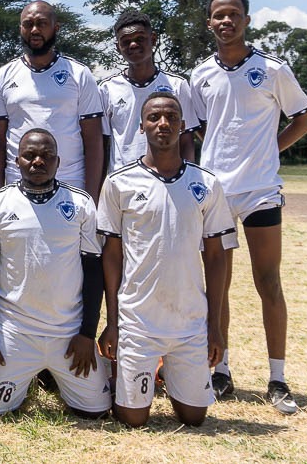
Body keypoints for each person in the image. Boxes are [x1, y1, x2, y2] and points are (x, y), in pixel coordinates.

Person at [189, 0, 307, 414]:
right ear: (209, 23)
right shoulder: (200, 74)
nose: (226, 22)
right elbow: (201, 127)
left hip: (261, 191)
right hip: (216, 194)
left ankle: (278, 378)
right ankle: (220, 369)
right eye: (218, 16)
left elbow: (304, 118)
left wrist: (270, 151)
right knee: (217, 286)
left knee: (268, 282)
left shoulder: (272, 69)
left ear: (246, 19)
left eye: (234, 15)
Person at [97, 92, 232, 427]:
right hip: (138, 321)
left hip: (188, 322)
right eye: (154, 117)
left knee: (194, 418)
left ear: (183, 126)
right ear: (141, 126)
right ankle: (128, 374)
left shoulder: (207, 184)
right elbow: (111, 257)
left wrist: (214, 327)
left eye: (171, 117)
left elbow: (216, 259)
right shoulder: (119, 183)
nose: (163, 124)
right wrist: (112, 322)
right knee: (133, 420)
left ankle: (167, 370)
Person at [0, 129, 109, 418]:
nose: (37, 161)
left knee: (95, 411)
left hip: (69, 334)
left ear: (58, 162)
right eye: (29, 155)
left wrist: (87, 334)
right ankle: (32, 375)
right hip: (14, 333)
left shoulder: (81, 203)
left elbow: (94, 273)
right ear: (17, 160)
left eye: (46, 156)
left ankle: (53, 376)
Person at [0, 0, 104, 203]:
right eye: (28, 24)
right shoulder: (2, 76)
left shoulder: (79, 74)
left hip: (71, 182)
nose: (34, 30)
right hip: (18, 183)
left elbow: (94, 141)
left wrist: (92, 197)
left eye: (41, 23)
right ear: (20, 28)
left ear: (55, 27)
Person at [99, 9, 197, 170]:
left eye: (140, 39)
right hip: (123, 182)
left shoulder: (177, 85)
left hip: (169, 179)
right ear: (117, 47)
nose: (133, 45)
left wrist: (188, 179)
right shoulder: (106, 89)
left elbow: (186, 140)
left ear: (153, 39)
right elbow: (102, 144)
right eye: (125, 41)